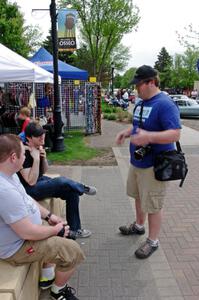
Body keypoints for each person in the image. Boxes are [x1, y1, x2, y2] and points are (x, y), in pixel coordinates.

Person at [0, 134, 85, 300]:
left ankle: (46, 278)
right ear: (13, 157)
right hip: (17, 248)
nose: (26, 157)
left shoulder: (9, 174)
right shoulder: (4, 190)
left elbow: (27, 199)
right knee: (73, 251)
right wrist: (54, 230)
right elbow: (27, 233)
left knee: (61, 233)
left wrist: (49, 216)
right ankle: (58, 291)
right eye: (23, 154)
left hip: (23, 237)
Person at [116, 65, 181, 259]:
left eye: (138, 85)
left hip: (155, 165)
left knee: (153, 204)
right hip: (138, 162)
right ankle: (138, 226)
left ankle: (153, 241)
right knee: (137, 196)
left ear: (151, 82)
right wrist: (127, 132)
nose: (136, 89)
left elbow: (175, 133)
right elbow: (138, 127)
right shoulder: (141, 103)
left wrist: (149, 137)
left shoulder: (165, 104)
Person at [18, 121, 97, 239]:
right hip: (29, 190)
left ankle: (74, 230)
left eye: (43, 133)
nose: (42, 137)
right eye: (38, 135)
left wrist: (43, 158)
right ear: (29, 137)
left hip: (39, 181)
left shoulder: (38, 146)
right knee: (60, 181)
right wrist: (36, 159)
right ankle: (82, 187)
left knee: (72, 191)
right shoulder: (23, 152)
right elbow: (31, 182)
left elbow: (43, 171)